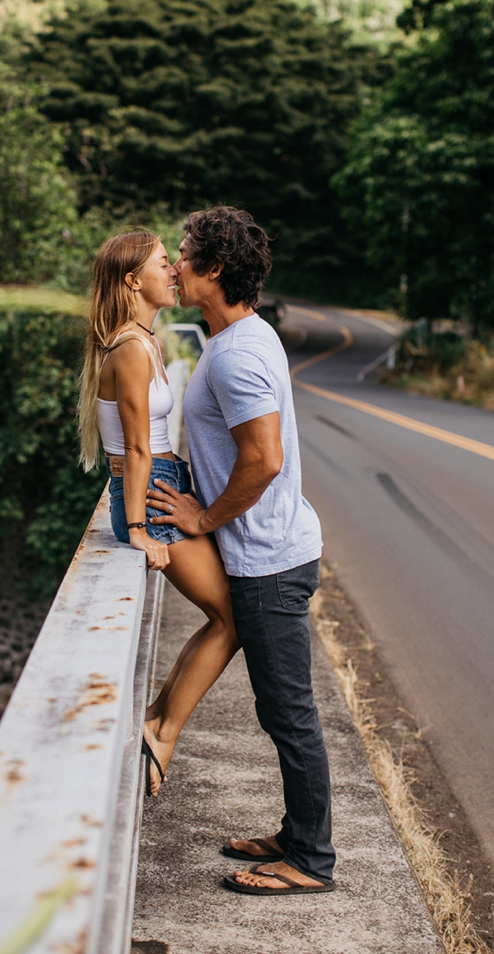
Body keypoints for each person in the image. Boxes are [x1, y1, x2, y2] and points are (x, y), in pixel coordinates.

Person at [145, 206, 336, 896]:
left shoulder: (240, 356)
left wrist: (202, 516)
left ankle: (311, 861)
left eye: (188, 253)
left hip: (269, 560)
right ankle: (297, 833)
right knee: (280, 712)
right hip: (269, 551)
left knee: (289, 715)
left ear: (217, 268)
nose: (177, 263)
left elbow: (263, 459)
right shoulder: (236, 340)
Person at [78, 229, 240, 797]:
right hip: (150, 494)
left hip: (166, 484)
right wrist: (141, 530)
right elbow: (137, 448)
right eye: (163, 263)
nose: (175, 270)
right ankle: (161, 728)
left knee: (228, 617)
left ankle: (156, 719)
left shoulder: (147, 340)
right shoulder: (127, 347)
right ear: (132, 281)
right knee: (232, 618)